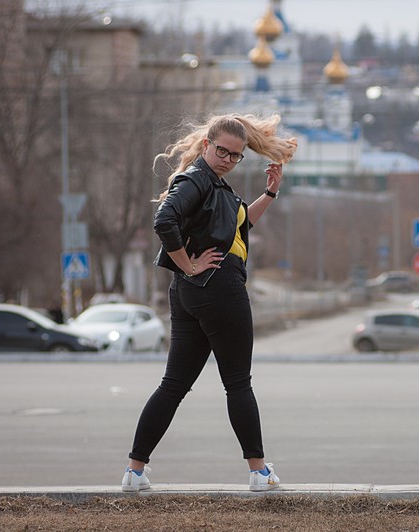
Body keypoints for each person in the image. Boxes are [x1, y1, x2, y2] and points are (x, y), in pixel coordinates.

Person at [121, 113, 297, 493]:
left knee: (173, 385)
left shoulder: (214, 186)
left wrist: (269, 193)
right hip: (217, 288)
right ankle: (259, 472)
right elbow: (163, 220)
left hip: (190, 293)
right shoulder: (197, 180)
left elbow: (238, 226)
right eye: (222, 151)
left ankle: (134, 473)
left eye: (236, 156)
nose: (228, 160)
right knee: (237, 383)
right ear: (206, 146)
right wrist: (191, 264)